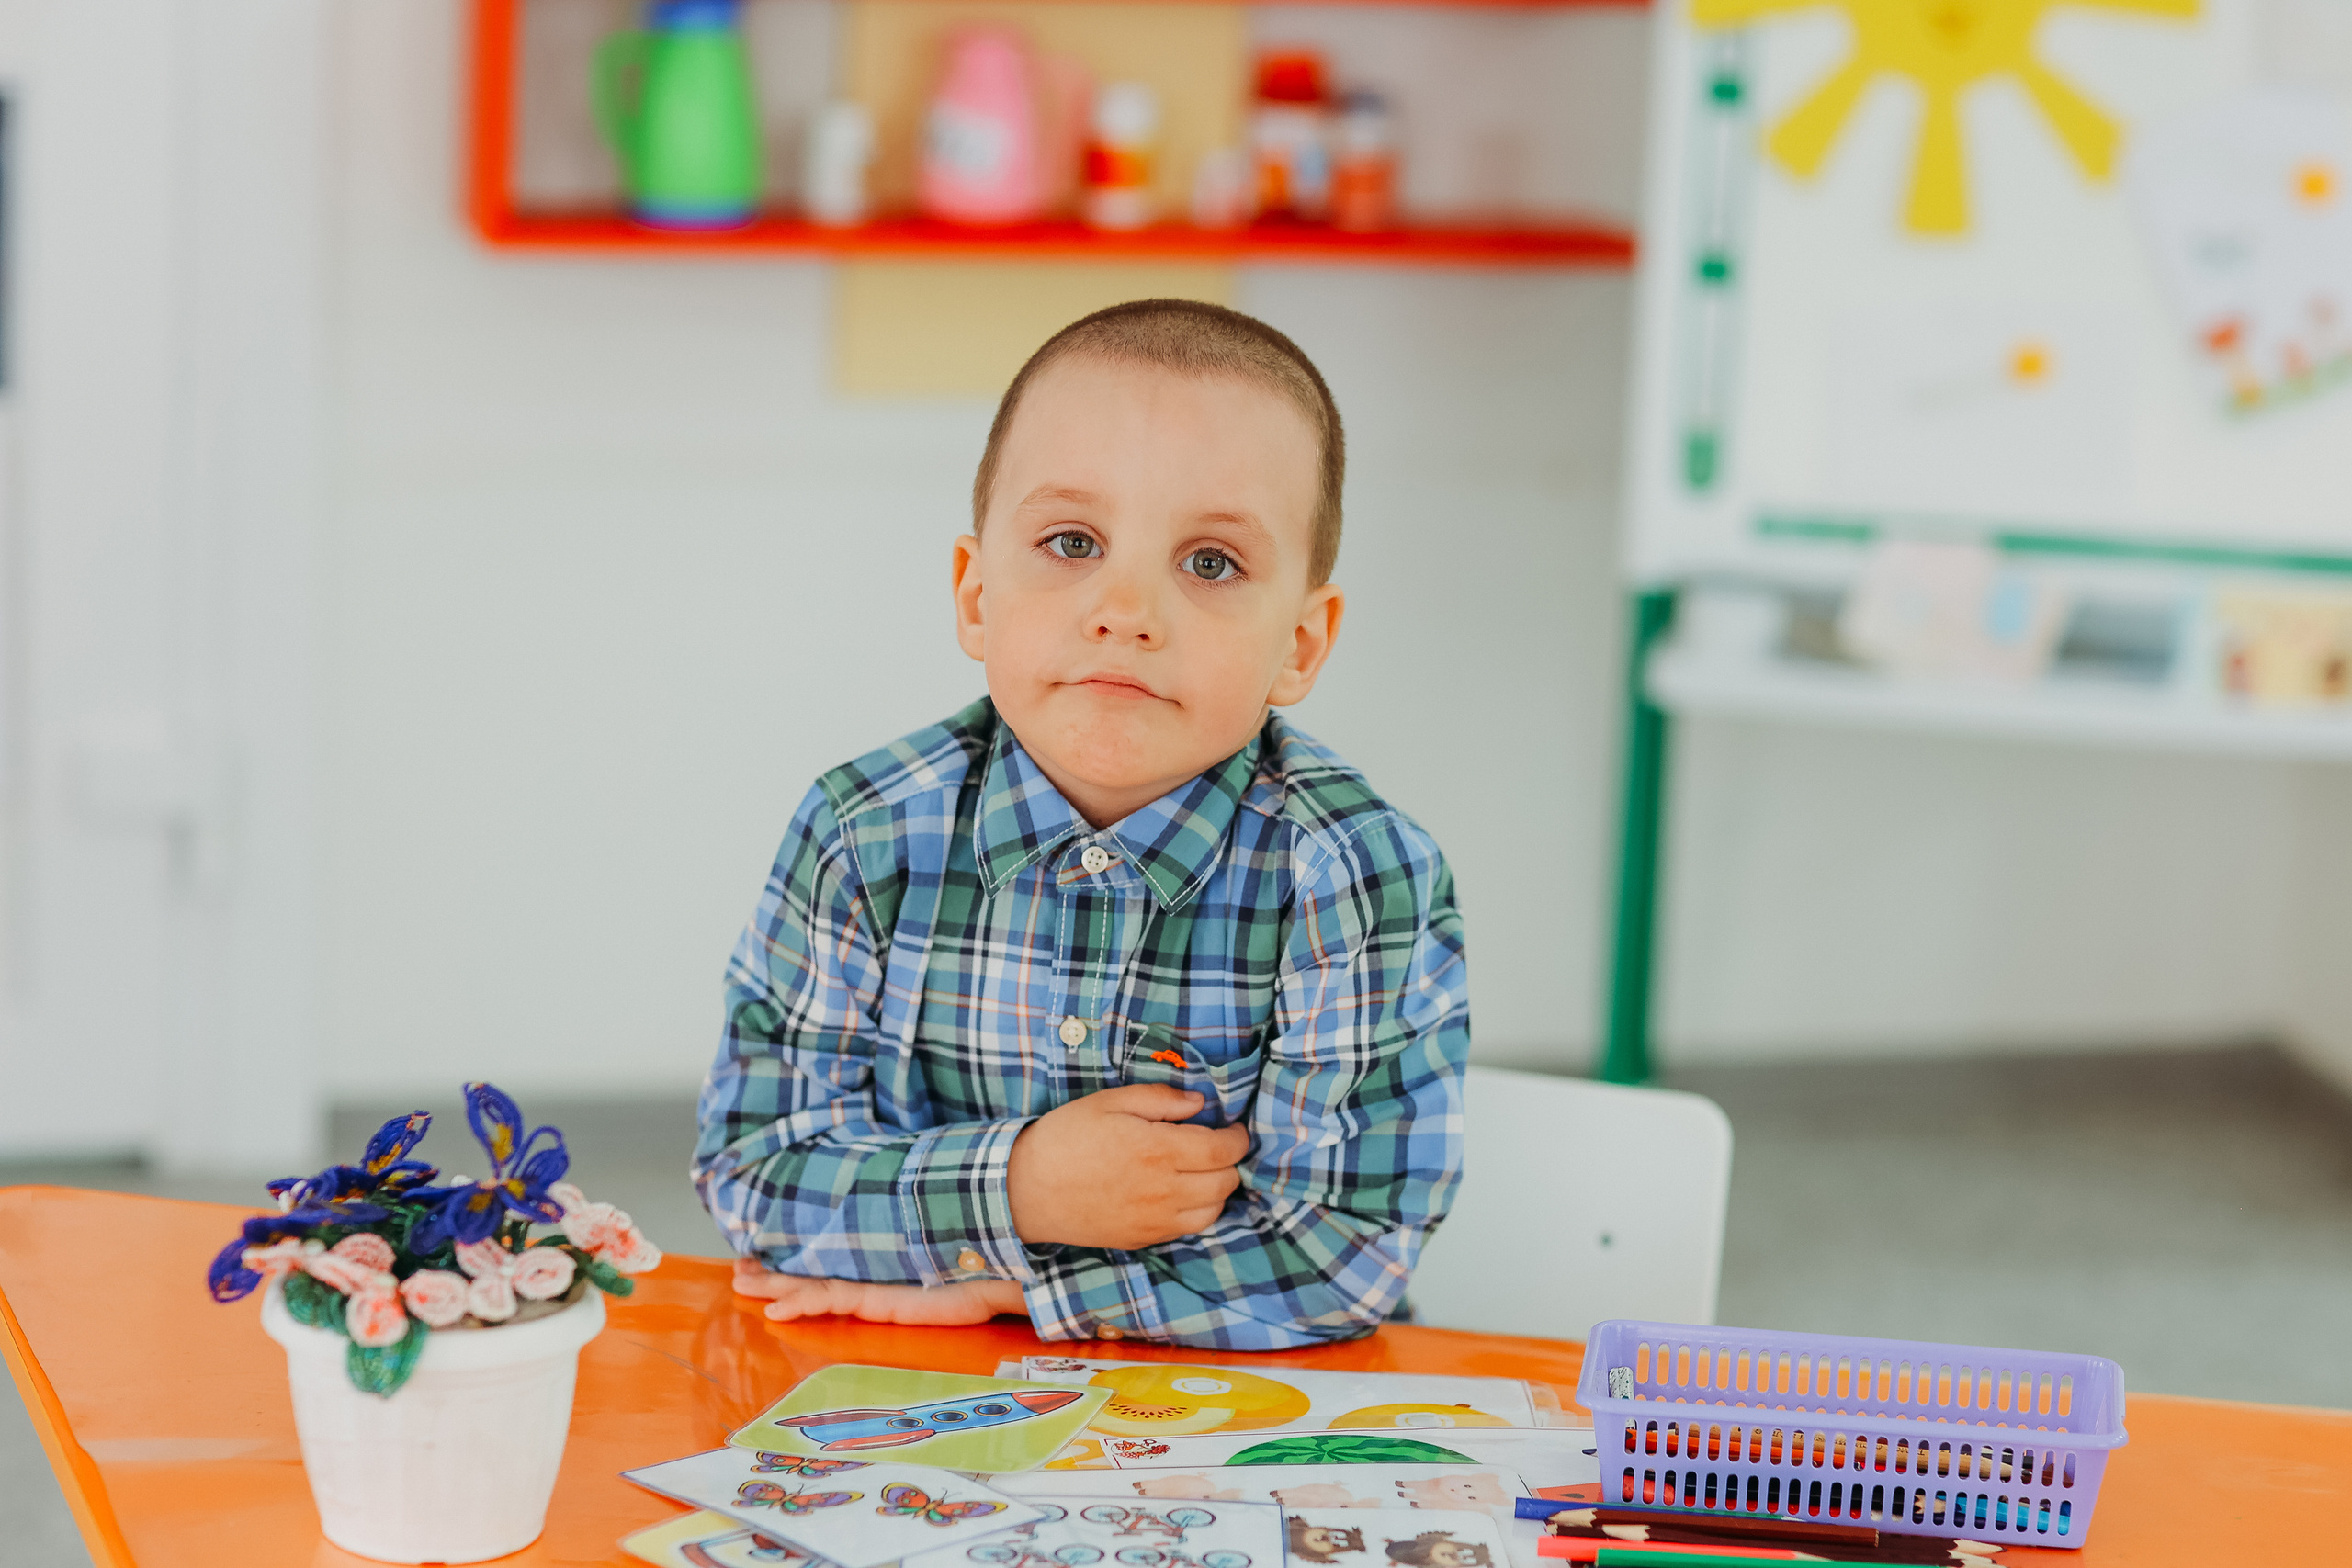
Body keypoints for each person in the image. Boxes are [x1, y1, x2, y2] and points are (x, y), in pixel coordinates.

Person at [692, 299, 1470, 1348]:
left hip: (1244, 1423)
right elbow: (755, 1174)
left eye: (1210, 563)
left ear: (1301, 640)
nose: (1126, 609)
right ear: (975, 595)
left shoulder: (1354, 873)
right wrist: (1017, 1186)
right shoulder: (860, 831)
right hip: (918, 1391)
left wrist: (1027, 1291)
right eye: (1071, 541)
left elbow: (1346, 1252)